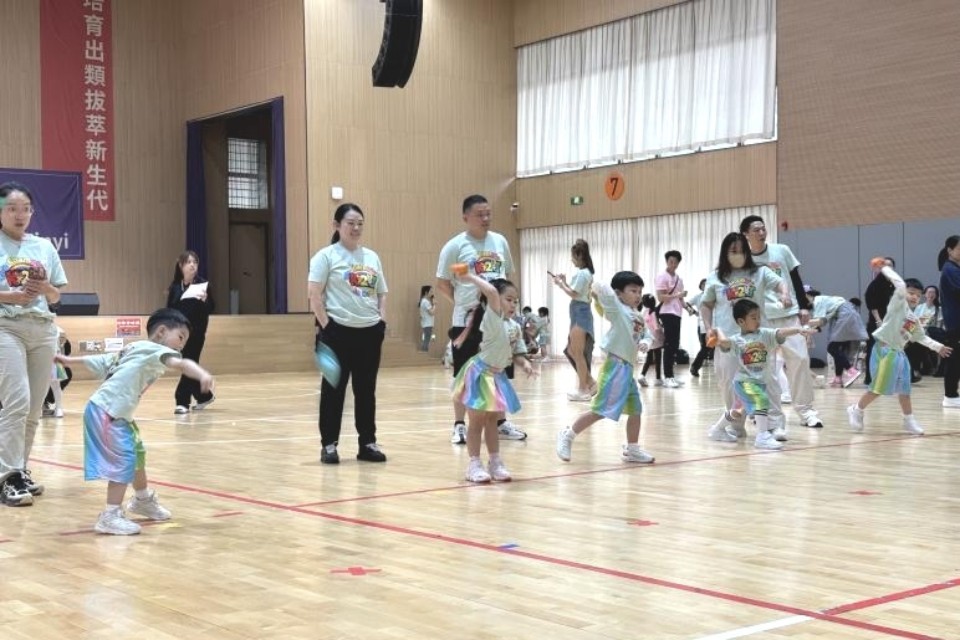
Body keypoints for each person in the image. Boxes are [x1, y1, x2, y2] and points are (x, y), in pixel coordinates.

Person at [57, 308, 215, 534]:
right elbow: (182, 364)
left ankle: (142, 500)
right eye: (180, 337)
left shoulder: (134, 348)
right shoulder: (157, 350)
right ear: (161, 331)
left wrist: (68, 360)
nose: (181, 345)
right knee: (124, 459)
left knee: (137, 455)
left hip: (116, 413)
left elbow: (101, 360)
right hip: (108, 412)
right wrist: (202, 374)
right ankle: (110, 516)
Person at [436, 195, 526, 444]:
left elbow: (507, 278)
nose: (485, 218)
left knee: (499, 372)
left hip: (498, 322)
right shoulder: (454, 246)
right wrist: (463, 304)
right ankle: (459, 425)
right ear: (465, 217)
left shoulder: (500, 241)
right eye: (479, 214)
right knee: (465, 375)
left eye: (488, 213)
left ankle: (500, 423)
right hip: (467, 323)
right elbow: (442, 283)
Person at [0, 181, 68, 506]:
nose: (20, 215)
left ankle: (20, 469)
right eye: (12, 208)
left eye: (25, 209)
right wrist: (9, 296)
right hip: (6, 327)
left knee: (33, 408)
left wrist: (45, 289)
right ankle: (8, 476)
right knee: (17, 401)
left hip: (42, 329)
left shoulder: (44, 247)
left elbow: (56, 296)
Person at [309, 203, 389, 464]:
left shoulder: (372, 257)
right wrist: (328, 326)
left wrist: (381, 321)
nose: (356, 228)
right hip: (336, 334)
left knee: (366, 391)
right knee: (333, 390)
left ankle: (367, 443)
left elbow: (382, 292)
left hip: (369, 333)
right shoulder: (325, 257)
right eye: (350, 223)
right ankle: (329, 445)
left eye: (360, 224)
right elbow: (314, 295)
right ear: (337, 225)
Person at [556, 271, 656, 464]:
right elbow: (604, 290)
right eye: (633, 290)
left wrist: (646, 342)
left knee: (635, 410)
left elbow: (647, 334)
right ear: (619, 293)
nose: (638, 295)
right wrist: (592, 283)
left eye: (640, 291)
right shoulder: (617, 309)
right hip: (615, 367)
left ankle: (632, 449)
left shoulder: (637, 316)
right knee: (600, 410)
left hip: (628, 369)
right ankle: (568, 434)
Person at [700, 232, 789, 443]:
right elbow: (706, 304)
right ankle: (736, 426)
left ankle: (774, 425)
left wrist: (784, 294)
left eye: (741, 250)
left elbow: (780, 283)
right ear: (725, 253)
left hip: (758, 338)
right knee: (729, 383)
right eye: (733, 251)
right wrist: (708, 327)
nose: (738, 254)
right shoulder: (715, 277)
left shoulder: (760, 272)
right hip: (727, 339)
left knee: (768, 381)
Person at [847, 261, 952, 434]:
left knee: (905, 390)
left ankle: (908, 420)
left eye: (918, 295)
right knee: (878, 388)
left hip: (899, 354)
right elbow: (900, 285)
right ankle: (856, 409)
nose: (914, 297)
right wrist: (885, 268)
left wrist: (938, 347)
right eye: (911, 293)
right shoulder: (897, 305)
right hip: (884, 351)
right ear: (903, 293)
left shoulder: (913, 319)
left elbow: (921, 337)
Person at [740, 215, 823, 429]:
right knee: (766, 367)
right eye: (756, 230)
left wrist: (804, 306)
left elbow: (795, 278)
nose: (761, 232)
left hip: (789, 314)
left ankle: (806, 411)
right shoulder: (744, 260)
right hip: (761, 319)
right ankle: (768, 414)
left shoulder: (781, 250)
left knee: (800, 360)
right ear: (746, 234)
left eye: (763, 228)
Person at [451, 275, 534, 482]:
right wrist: (468, 276)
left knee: (492, 421)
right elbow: (490, 292)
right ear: (494, 300)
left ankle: (495, 462)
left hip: (497, 376)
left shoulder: (514, 326)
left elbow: (517, 353)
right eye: (508, 299)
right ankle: (473, 464)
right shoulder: (492, 318)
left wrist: (524, 363)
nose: (513, 304)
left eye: (516, 301)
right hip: (480, 375)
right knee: (476, 421)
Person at [711, 299, 817, 450]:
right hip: (745, 382)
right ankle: (762, 436)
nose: (758, 321)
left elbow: (780, 332)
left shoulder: (765, 334)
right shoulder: (737, 340)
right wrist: (718, 330)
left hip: (759, 382)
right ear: (741, 321)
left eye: (759, 317)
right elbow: (724, 342)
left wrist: (798, 330)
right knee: (761, 400)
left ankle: (717, 429)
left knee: (738, 411)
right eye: (753, 318)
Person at [166, 250, 215, 415]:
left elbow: (211, 308)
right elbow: (170, 309)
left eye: (195, 262)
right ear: (181, 266)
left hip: (197, 333)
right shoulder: (175, 287)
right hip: (179, 334)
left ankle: (182, 401)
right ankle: (204, 396)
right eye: (189, 262)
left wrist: (205, 300)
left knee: (188, 363)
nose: (192, 265)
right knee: (188, 365)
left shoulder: (203, 285)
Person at [551, 239, 596, 400]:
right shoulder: (586, 273)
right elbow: (576, 290)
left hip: (580, 312)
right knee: (572, 350)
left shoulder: (582, 273)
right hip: (579, 312)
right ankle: (590, 382)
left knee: (577, 352)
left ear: (579, 255)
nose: (571, 259)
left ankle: (583, 389)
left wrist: (559, 284)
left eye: (573, 256)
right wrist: (564, 281)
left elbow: (574, 294)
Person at [806, 289, 868, 387]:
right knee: (838, 349)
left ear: (808, 295)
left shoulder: (818, 300)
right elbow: (822, 322)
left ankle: (851, 370)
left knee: (832, 348)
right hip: (848, 316)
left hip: (845, 316)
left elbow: (819, 321)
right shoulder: (826, 300)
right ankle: (838, 378)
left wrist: (801, 323)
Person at [655, 250, 688, 388]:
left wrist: (689, 309)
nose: (673, 264)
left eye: (675, 262)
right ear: (667, 261)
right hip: (666, 312)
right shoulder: (662, 276)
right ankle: (668, 376)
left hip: (677, 313)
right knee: (669, 344)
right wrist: (678, 295)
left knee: (675, 344)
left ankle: (671, 376)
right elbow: (660, 297)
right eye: (670, 261)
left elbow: (681, 299)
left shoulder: (679, 279)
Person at [863, 257, 896, 386]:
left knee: (890, 349)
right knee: (873, 348)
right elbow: (872, 304)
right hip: (877, 322)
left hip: (890, 321)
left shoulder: (892, 283)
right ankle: (870, 377)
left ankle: (887, 376)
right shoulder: (876, 284)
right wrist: (878, 321)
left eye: (890, 265)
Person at [938, 236, 960, 408]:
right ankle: (950, 395)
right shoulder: (950, 269)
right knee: (955, 359)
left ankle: (952, 394)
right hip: (956, 323)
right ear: (950, 250)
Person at [687, 278, 714, 376]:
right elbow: (687, 304)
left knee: (712, 347)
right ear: (701, 286)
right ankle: (695, 367)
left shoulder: (713, 295)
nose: (705, 286)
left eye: (707, 284)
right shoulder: (698, 297)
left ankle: (699, 366)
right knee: (705, 348)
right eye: (703, 284)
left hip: (714, 323)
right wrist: (694, 312)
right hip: (702, 325)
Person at [637, 293, 664, 387]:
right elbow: (656, 328)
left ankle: (642, 375)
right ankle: (658, 379)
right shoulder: (654, 313)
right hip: (656, 338)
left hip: (648, 338)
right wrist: (662, 329)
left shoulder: (645, 312)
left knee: (648, 359)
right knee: (658, 359)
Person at [45, 326, 69, 418]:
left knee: (53, 386)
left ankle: (58, 408)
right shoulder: (58, 329)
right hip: (50, 358)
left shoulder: (57, 329)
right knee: (54, 386)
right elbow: (63, 342)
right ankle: (58, 409)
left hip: (49, 359)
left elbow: (63, 342)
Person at [418, 285, 435, 351]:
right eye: (431, 291)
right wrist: (435, 305)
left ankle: (424, 353)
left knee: (426, 340)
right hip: (427, 324)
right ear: (426, 292)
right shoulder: (425, 302)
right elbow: (432, 312)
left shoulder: (424, 301)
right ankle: (423, 354)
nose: (432, 293)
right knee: (426, 340)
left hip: (426, 323)